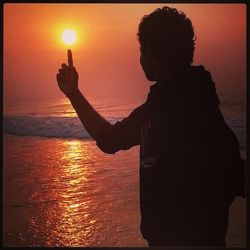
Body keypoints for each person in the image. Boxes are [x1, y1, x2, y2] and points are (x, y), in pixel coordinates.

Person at [56, 6, 245, 247]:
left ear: (151, 52)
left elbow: (108, 139)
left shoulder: (178, 112)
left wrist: (74, 94)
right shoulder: (176, 108)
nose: (140, 58)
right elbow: (110, 140)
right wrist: (73, 94)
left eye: (141, 49)